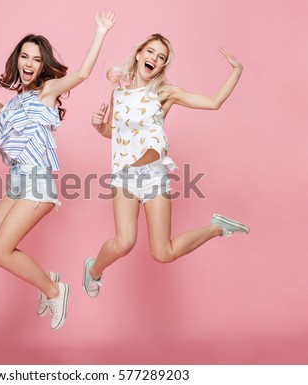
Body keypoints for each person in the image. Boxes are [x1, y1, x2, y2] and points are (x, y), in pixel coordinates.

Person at [0, 11, 116, 329]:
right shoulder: (20, 98)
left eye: (36, 59)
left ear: (42, 66)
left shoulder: (47, 91)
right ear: (17, 60)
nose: (29, 63)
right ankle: (47, 279)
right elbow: (23, 128)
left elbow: (81, 74)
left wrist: (100, 31)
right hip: (16, 183)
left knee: (1, 250)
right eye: (24, 56)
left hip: (37, 184)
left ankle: (54, 289)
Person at [83, 33, 250, 298]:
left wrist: (237, 71)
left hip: (154, 176)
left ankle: (216, 228)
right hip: (125, 175)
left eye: (161, 57)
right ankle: (93, 270)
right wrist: (98, 125)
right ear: (139, 54)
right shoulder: (120, 94)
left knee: (163, 253)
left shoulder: (165, 93)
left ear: (162, 66)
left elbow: (213, 103)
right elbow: (113, 133)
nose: (154, 59)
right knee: (124, 242)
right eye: (150, 52)